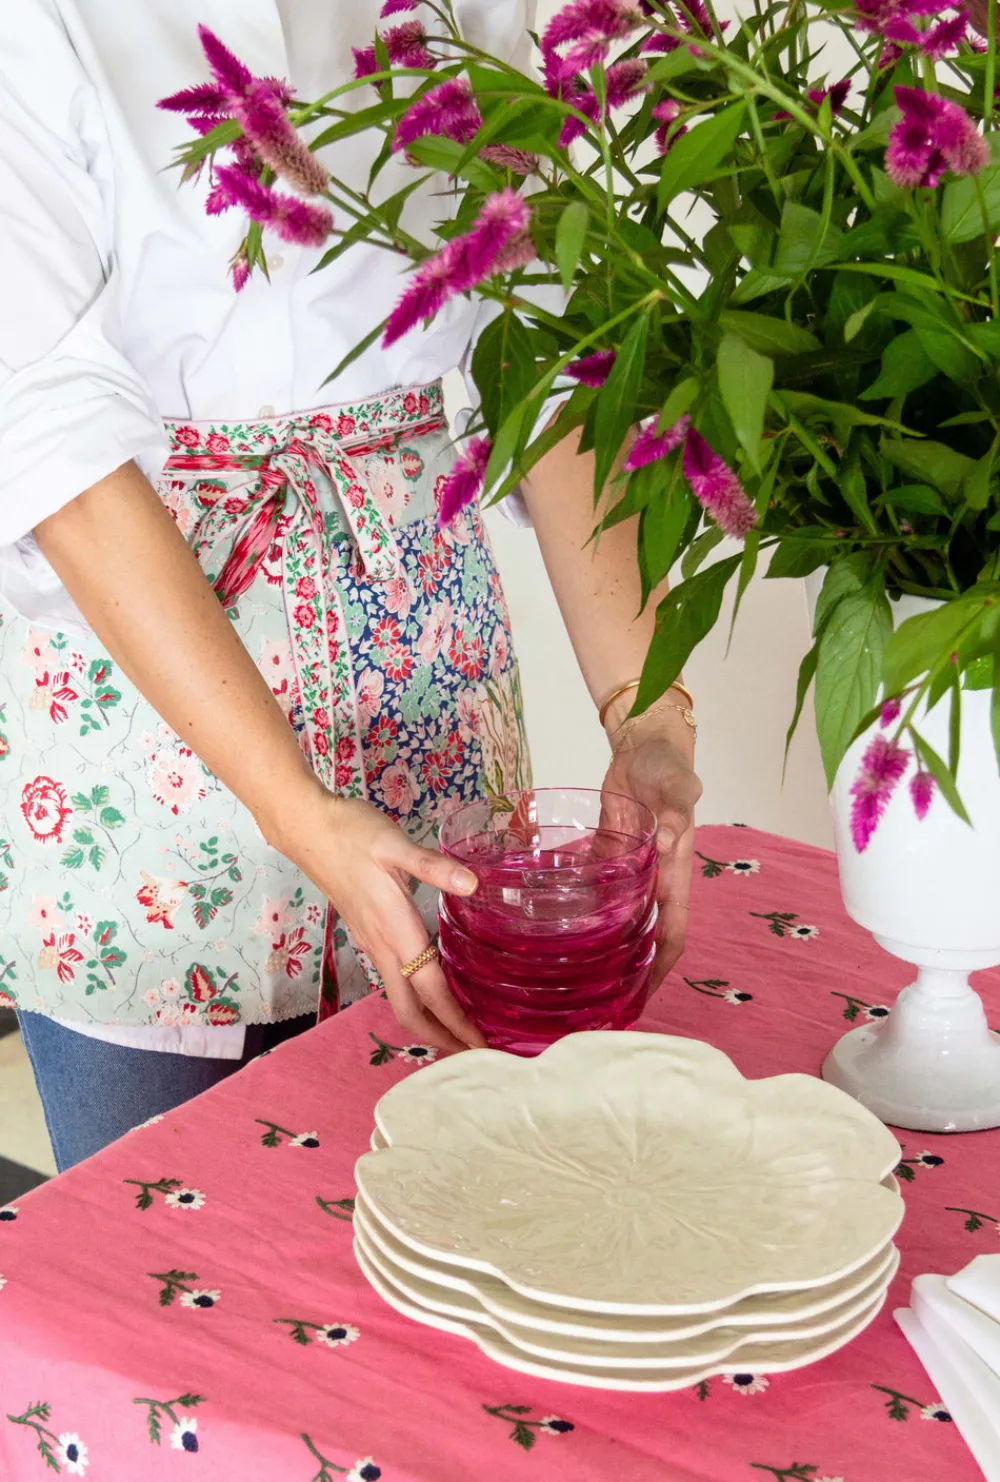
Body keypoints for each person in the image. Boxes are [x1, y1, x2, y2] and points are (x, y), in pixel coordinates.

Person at [0, 0, 701, 1171]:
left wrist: (648, 716)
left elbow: (546, 339)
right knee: (170, 1239)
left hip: (436, 704)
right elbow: (45, 430)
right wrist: (293, 805)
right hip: (155, 735)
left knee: (475, 1202)